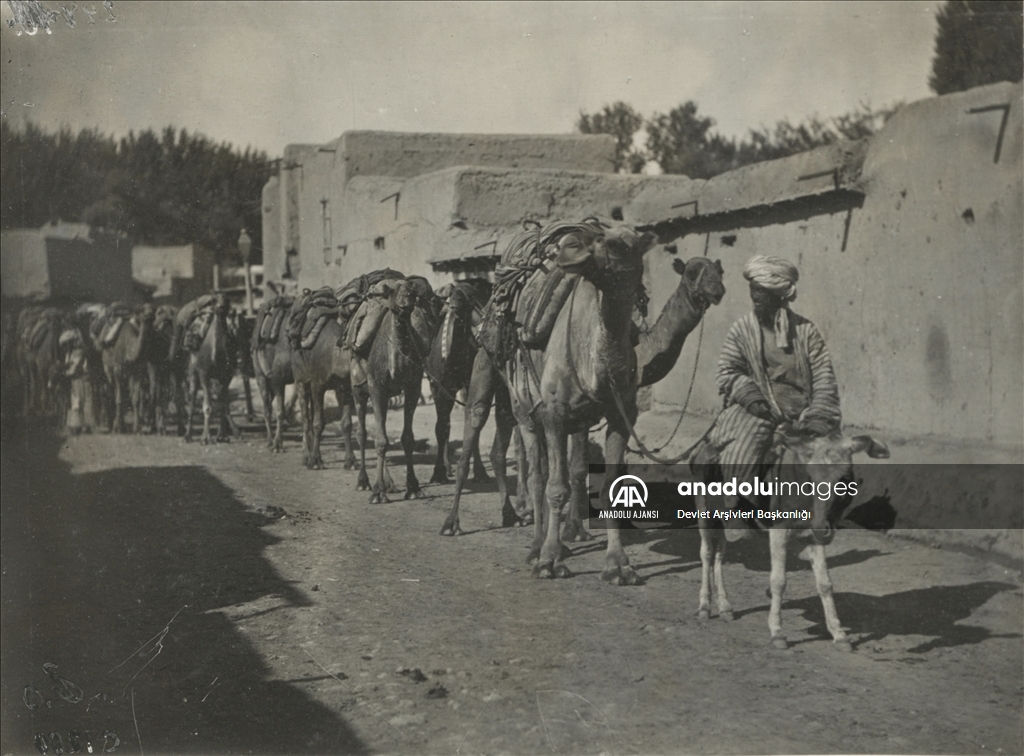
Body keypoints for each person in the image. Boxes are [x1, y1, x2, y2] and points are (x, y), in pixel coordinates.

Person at [706, 255, 842, 539]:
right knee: (744, 440)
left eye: (761, 291)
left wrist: (817, 418)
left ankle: (818, 518)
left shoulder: (806, 332)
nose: (754, 296)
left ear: (779, 294)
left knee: (833, 457)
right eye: (752, 290)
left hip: (802, 412)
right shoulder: (742, 330)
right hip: (758, 409)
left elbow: (825, 380)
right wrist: (750, 395)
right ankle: (739, 511)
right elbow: (728, 370)